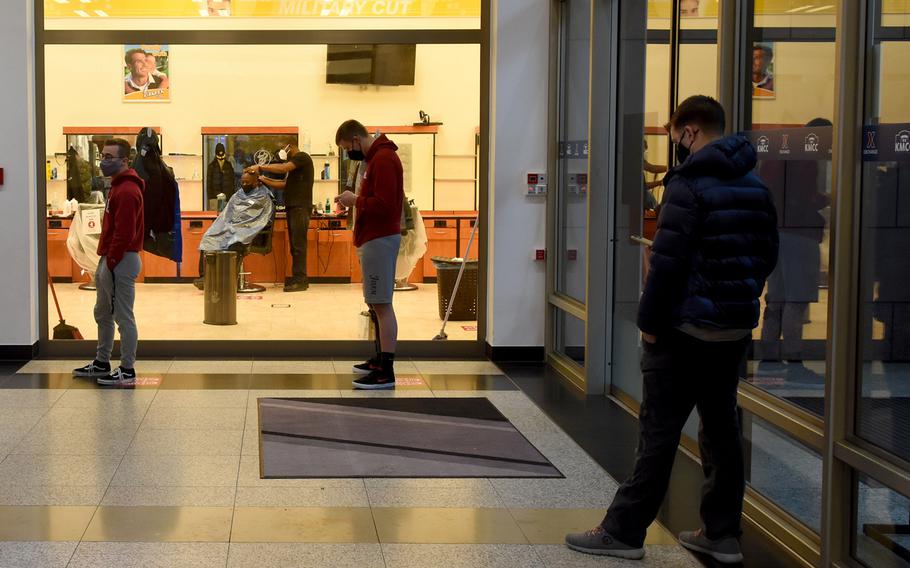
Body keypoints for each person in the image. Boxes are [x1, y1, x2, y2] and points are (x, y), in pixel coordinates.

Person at [565, 96, 779, 563]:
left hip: (684, 332)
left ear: (688, 131)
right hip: (732, 331)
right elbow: (766, 257)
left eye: (673, 135)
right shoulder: (755, 186)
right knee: (721, 430)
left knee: (658, 434)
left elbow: (667, 267)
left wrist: (650, 327)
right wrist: (734, 299)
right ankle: (722, 535)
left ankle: (623, 532)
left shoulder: (688, 186)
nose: (674, 145)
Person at [757, 118, 831, 382]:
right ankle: (794, 355)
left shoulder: (777, 155)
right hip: (799, 234)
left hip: (774, 233)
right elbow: (806, 198)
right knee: (796, 299)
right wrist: (828, 199)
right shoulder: (806, 160)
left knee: (776, 296)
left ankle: (768, 351)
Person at [335, 120, 404, 389]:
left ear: (355, 139)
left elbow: (385, 206)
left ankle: (386, 370)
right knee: (375, 303)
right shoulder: (375, 159)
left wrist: (355, 201)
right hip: (372, 238)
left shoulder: (384, 159)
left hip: (380, 238)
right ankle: (379, 359)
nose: (348, 154)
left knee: (382, 303)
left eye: (346, 148)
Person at [73, 138, 145, 386]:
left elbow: (124, 233)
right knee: (102, 312)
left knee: (122, 316)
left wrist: (112, 261)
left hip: (121, 260)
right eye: (102, 156)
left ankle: (127, 369)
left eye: (109, 158)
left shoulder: (126, 190)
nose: (104, 162)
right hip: (111, 259)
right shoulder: (117, 187)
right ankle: (102, 361)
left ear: (124, 161)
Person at [246, 144, 313, 292]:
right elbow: (283, 184)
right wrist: (262, 179)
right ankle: (298, 278)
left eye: (283, 147)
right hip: (294, 206)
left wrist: (260, 167)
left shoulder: (302, 157)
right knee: (295, 245)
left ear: (291, 147)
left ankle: (300, 280)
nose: (282, 151)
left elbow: (282, 169)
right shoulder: (295, 167)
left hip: (300, 207)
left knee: (298, 245)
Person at [194, 171, 274, 287]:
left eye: (248, 182)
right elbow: (227, 214)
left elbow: (258, 219)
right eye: (243, 182)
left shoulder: (263, 196)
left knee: (235, 242)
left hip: (250, 230)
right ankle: (206, 277)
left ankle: (228, 283)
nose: (245, 184)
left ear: (256, 182)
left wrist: (239, 226)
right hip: (232, 228)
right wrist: (225, 227)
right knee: (208, 238)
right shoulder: (238, 194)